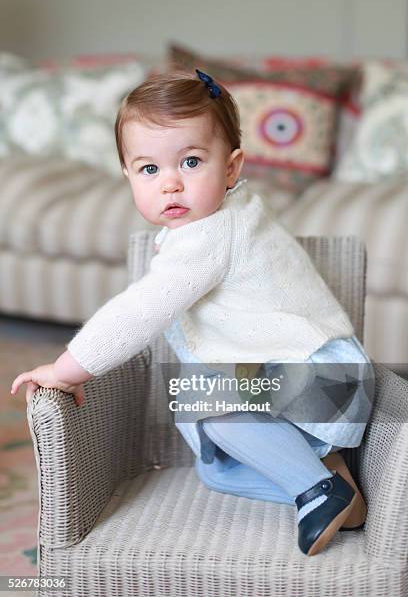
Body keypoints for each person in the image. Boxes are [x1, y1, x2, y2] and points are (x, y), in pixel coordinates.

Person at [10, 68, 374, 557]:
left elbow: (140, 312)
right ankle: (330, 493)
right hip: (313, 379)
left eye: (191, 161)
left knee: (207, 402)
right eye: (149, 170)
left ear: (231, 167)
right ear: (127, 175)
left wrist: (67, 368)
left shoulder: (210, 234)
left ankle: (317, 487)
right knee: (214, 467)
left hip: (319, 376)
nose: (171, 185)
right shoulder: (232, 217)